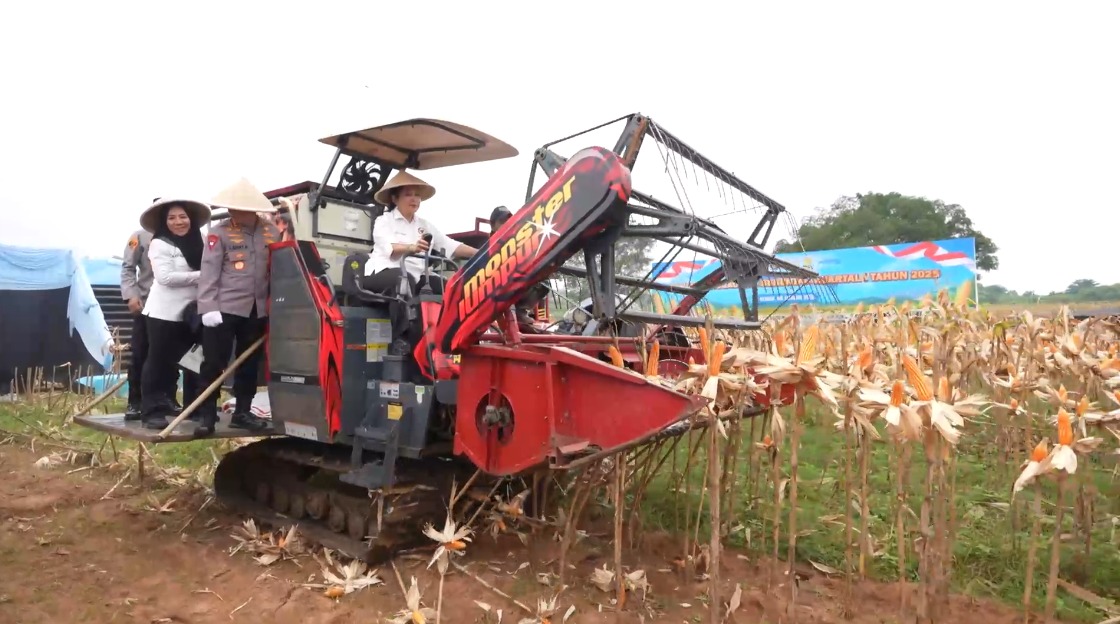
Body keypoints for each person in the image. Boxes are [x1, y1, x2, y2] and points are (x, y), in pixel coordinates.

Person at [195, 178, 280, 436]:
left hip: (257, 308)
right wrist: (208, 306)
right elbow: (209, 272)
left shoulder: (271, 231)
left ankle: (243, 411)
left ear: (252, 208)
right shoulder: (219, 232)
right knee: (214, 362)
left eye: (238, 207)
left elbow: (279, 267)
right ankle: (207, 414)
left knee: (249, 363)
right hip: (223, 307)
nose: (233, 211)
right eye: (230, 207)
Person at [137, 198, 210, 430]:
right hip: (163, 312)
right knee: (159, 360)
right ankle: (152, 411)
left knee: (195, 359)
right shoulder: (159, 243)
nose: (178, 222)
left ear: (191, 218)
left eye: (183, 216)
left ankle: (194, 407)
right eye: (172, 218)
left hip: (193, 312)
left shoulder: (202, 239)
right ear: (164, 221)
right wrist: (203, 276)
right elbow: (165, 277)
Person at [362, 170, 477, 295]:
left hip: (418, 276)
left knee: (447, 288)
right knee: (405, 281)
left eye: (417, 195)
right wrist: (412, 248)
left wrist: (482, 252)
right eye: (408, 194)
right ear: (395, 199)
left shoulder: (425, 225)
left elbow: (450, 245)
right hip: (384, 270)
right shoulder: (383, 221)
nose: (414, 199)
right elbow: (390, 248)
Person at [120, 222, 154, 420]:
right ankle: (135, 401)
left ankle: (167, 399)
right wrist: (131, 295)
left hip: (180, 305)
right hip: (147, 303)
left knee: (175, 357)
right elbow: (128, 268)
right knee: (141, 353)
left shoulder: (191, 234)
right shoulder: (140, 237)